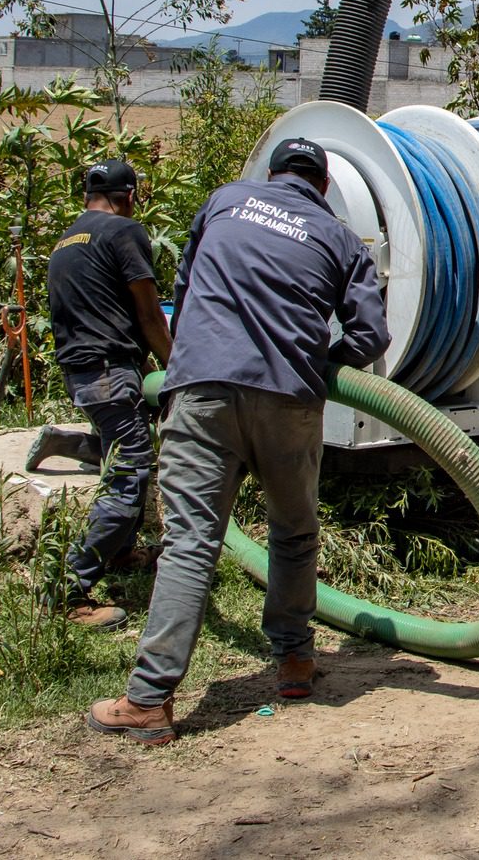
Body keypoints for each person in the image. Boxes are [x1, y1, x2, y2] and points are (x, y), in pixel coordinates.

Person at [87, 137, 389, 745]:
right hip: (290, 399)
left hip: (203, 389)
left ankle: (149, 700)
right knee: (295, 532)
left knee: (190, 542)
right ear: (324, 187)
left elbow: (185, 283)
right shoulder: (339, 238)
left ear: (270, 173)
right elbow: (372, 334)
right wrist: (321, 362)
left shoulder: (225, 201)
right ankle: (296, 661)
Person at [40, 159, 174, 631]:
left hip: (81, 372)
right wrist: (178, 367)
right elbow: (148, 312)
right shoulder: (124, 232)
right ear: (129, 195)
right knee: (130, 471)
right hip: (107, 372)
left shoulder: (67, 239)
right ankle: (68, 591)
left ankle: (119, 554)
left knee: (122, 455)